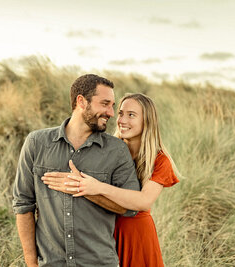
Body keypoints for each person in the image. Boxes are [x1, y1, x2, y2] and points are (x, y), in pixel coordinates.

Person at [12, 74, 140, 267]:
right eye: (105, 104)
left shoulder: (117, 150)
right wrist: (31, 264)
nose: (111, 113)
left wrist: (84, 189)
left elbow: (130, 207)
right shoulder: (36, 143)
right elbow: (23, 206)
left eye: (112, 105)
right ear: (81, 101)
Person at [43, 93, 180, 267]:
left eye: (131, 115)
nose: (122, 120)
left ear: (147, 120)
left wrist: (97, 187)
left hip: (136, 236)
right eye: (121, 113)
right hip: (102, 231)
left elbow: (144, 201)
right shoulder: (108, 149)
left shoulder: (159, 160)